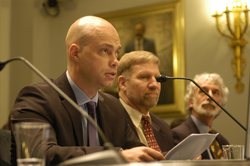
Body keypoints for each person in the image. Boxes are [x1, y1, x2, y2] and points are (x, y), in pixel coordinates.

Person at [10, 16, 166, 166]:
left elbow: (137, 153)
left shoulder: (114, 107)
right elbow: (39, 154)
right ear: (75, 53)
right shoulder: (37, 97)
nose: (115, 62)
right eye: (105, 51)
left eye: (116, 52)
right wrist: (116, 157)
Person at [117, 51, 174, 153]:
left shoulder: (164, 128)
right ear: (123, 83)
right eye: (144, 77)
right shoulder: (108, 121)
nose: (154, 85)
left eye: (157, 78)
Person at [172, 73, 230, 159]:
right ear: (191, 101)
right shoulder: (178, 135)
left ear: (221, 105)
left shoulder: (222, 141)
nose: (210, 96)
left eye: (215, 92)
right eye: (203, 91)